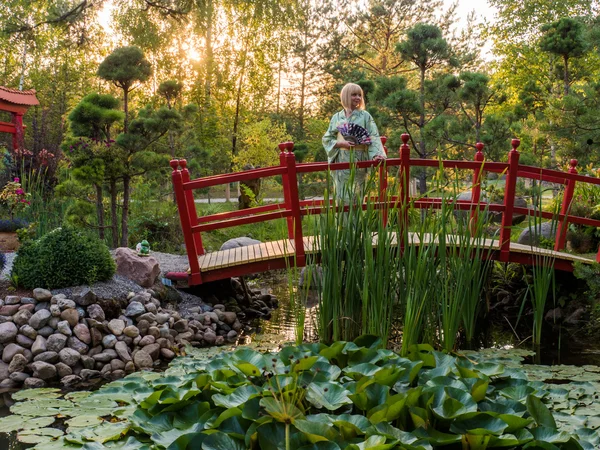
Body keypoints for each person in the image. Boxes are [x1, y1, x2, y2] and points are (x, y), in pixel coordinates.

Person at [322, 83, 386, 201]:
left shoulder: (365, 116)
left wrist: (377, 155)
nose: (358, 98)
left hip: (359, 159)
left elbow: (373, 136)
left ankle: (358, 220)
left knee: (357, 195)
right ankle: (342, 220)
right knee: (341, 196)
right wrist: (341, 144)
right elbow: (327, 139)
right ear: (346, 96)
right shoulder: (337, 117)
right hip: (341, 159)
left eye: (359, 95)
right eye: (354, 95)